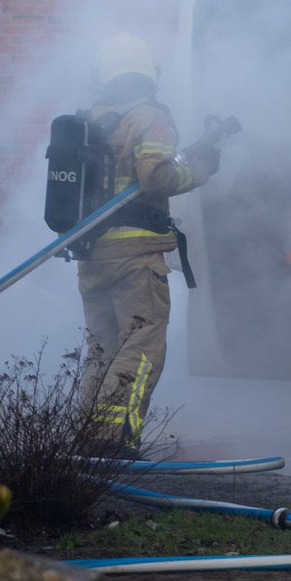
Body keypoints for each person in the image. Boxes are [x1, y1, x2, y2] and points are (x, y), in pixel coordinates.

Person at [77, 31, 220, 458]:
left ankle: (85, 437)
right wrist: (200, 172)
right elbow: (156, 176)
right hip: (136, 258)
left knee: (101, 350)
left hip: (92, 256)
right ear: (147, 73)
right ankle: (111, 440)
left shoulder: (94, 119)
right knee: (141, 345)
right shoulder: (148, 118)